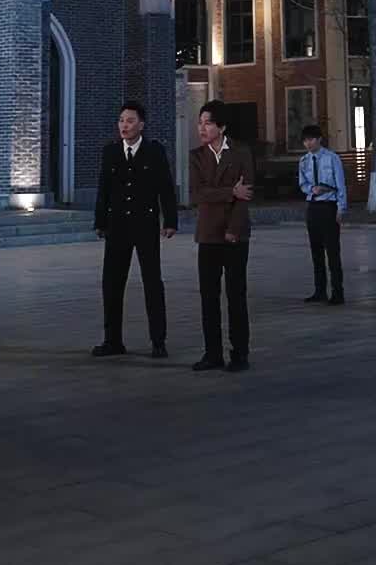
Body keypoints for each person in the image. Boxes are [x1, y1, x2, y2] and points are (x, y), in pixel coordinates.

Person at [92, 102, 178, 358]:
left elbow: (165, 187)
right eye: (121, 120)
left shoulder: (154, 151)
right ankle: (112, 340)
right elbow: (104, 189)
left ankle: (158, 341)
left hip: (145, 225)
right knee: (111, 283)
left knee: (152, 282)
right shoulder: (110, 151)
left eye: (130, 121)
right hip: (117, 226)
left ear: (142, 124)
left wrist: (170, 220)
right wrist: (100, 222)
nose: (124, 126)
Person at [190, 101, 254, 371]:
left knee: (236, 296)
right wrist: (230, 191)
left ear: (222, 126)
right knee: (208, 297)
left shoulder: (241, 152)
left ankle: (240, 354)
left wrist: (233, 230)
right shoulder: (196, 156)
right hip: (207, 234)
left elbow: (246, 194)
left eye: (207, 123)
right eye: (200, 123)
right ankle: (212, 354)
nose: (202, 128)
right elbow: (197, 194)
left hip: (235, 234)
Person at [300, 124, 347, 304]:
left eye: (311, 139)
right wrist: (312, 189)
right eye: (305, 141)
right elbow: (302, 184)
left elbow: (340, 184)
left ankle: (337, 292)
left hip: (329, 206)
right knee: (316, 251)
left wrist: (341, 208)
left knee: (332, 251)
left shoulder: (332, 158)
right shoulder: (304, 161)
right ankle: (319, 290)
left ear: (319, 139)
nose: (308, 144)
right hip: (313, 205)